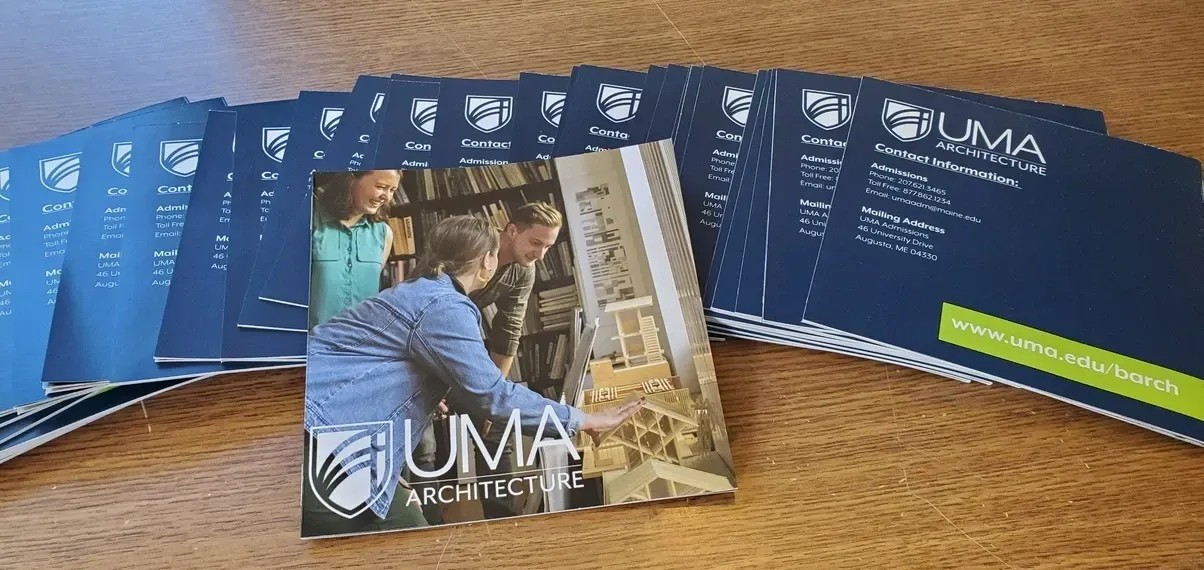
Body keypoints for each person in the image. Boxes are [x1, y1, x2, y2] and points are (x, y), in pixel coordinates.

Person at [301, 215, 641, 536]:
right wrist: (585, 420)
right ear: (488, 261)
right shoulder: (445, 305)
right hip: (328, 442)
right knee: (412, 544)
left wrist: (387, 465)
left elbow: (379, 371)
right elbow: (493, 395)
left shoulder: (421, 291)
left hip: (321, 430)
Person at [308, 169, 401, 329]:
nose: (387, 197)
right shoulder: (309, 222)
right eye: (380, 186)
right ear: (350, 180)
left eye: (392, 190)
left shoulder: (384, 233)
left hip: (360, 343)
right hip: (312, 343)